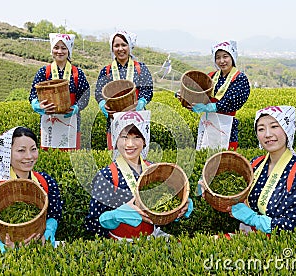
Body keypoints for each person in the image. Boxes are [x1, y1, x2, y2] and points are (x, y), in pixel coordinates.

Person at [85, 111, 193, 240]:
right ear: (115, 140)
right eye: (124, 137)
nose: (130, 144)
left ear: (144, 141)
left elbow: (162, 209)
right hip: (121, 243)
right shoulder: (107, 175)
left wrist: (178, 210)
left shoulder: (154, 170)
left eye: (136, 137)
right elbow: (92, 223)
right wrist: (114, 216)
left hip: (151, 238)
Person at [226, 106, 296, 235]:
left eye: (274, 126)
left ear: (287, 129)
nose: (268, 134)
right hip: (247, 236)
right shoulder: (255, 164)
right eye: (261, 129)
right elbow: (236, 195)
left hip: (278, 245)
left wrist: (254, 219)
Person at [0, 127, 63, 252]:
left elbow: (54, 213)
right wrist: (7, 249)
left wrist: (47, 234)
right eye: (21, 150)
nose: (29, 156)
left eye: (33, 149)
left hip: (44, 247)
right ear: (7, 153)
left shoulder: (45, 181)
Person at [177, 40, 250, 151]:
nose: (221, 61)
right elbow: (199, 94)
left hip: (226, 123)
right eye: (218, 57)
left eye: (225, 56)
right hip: (207, 121)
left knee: (225, 156)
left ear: (232, 57)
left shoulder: (239, 78)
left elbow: (233, 101)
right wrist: (185, 96)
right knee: (205, 151)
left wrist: (211, 107)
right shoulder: (211, 76)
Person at [29, 33, 90, 150]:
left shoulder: (77, 73)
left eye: (63, 48)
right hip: (48, 119)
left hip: (71, 120)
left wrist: (77, 107)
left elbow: (85, 95)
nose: (59, 51)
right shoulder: (44, 72)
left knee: (71, 152)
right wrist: (37, 105)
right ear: (52, 50)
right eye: (56, 48)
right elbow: (33, 94)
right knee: (49, 154)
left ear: (69, 51)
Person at [95, 30, 153, 150]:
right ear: (112, 49)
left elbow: (148, 90)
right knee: (116, 155)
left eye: (123, 45)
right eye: (116, 45)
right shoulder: (106, 71)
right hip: (114, 119)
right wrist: (102, 105)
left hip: (137, 118)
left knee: (137, 154)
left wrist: (141, 103)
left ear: (129, 46)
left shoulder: (140, 68)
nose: (120, 49)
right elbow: (98, 92)